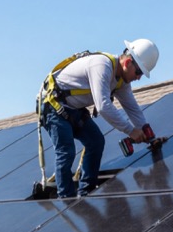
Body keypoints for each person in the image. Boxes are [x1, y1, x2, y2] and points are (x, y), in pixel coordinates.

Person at [38, 39, 159, 198]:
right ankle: (66, 199)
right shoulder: (102, 66)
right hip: (53, 106)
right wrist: (130, 131)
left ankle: (85, 193)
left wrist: (147, 134)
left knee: (96, 142)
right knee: (66, 151)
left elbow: (132, 107)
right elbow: (103, 106)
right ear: (128, 62)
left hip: (74, 109)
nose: (139, 78)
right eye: (139, 72)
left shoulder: (121, 82)